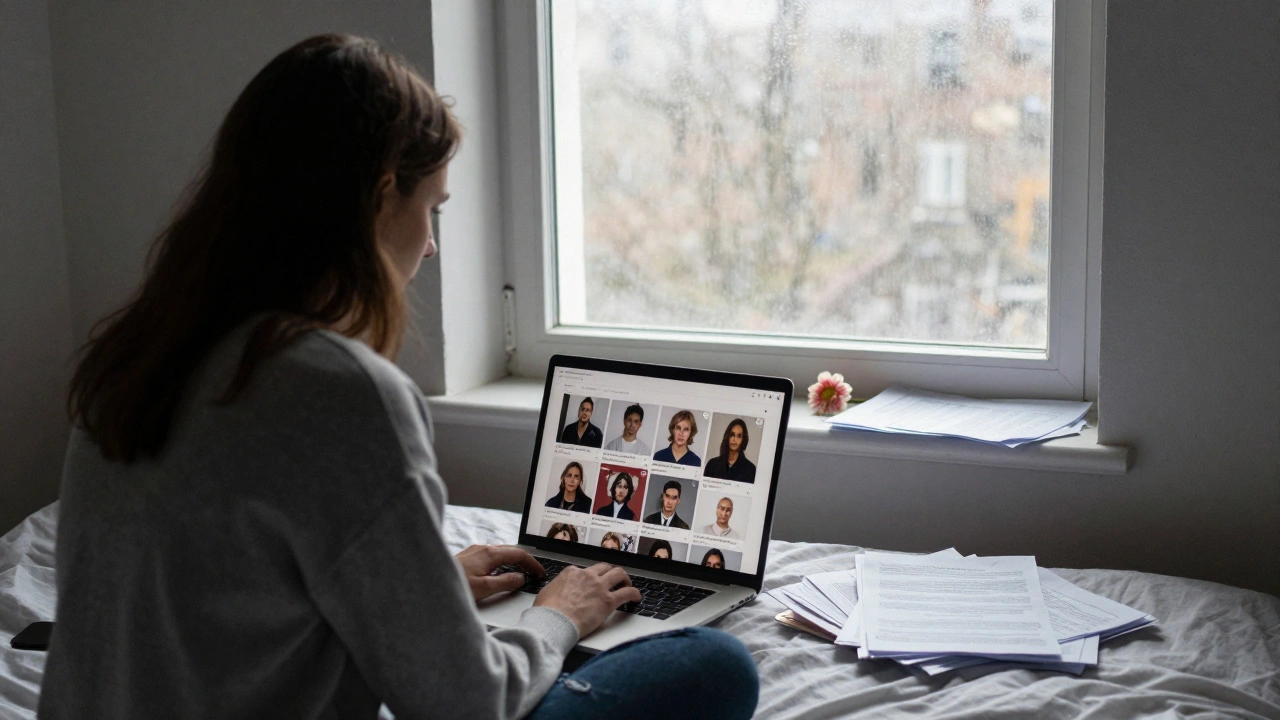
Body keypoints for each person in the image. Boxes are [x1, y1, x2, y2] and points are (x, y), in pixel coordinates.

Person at [40, 34, 758, 720]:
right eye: (432, 208)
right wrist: (555, 619)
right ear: (382, 195)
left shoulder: (137, 355)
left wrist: (429, 585)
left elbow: (224, 588)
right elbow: (466, 705)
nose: (434, 245)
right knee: (718, 664)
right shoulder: (338, 391)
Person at [702, 419, 757, 483]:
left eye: (739, 436)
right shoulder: (712, 465)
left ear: (743, 440)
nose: (734, 439)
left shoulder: (750, 470)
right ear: (727, 436)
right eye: (732, 435)